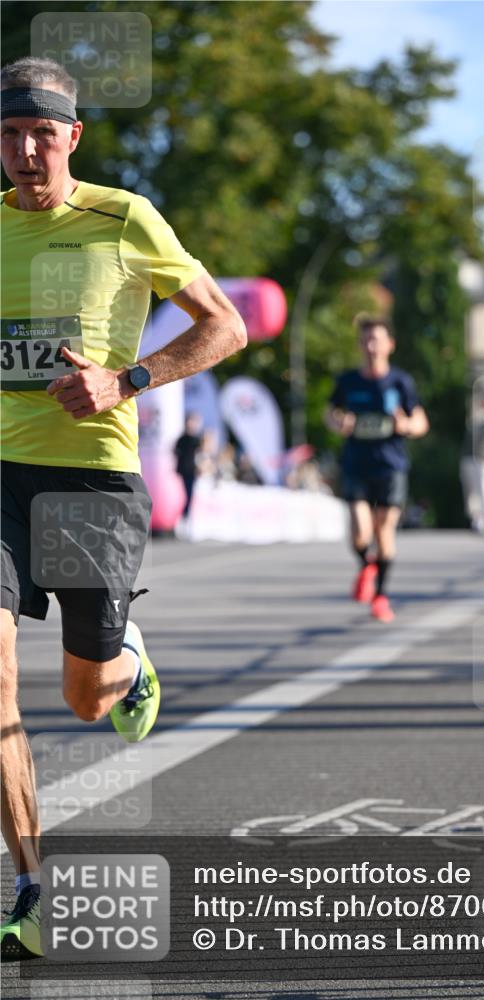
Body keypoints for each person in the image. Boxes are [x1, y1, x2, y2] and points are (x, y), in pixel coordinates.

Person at [0, 58, 247, 960]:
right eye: (9, 134)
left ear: (73, 136)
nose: (26, 150)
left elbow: (227, 323)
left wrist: (127, 377)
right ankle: (31, 884)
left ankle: (125, 656)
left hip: (92, 484)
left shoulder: (124, 217)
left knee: (85, 699)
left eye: (42, 133)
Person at [326, 315, 429, 623]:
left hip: (391, 465)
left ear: (390, 345)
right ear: (360, 345)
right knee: (360, 530)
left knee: (384, 530)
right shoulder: (348, 382)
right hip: (357, 463)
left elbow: (422, 422)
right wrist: (338, 423)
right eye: (366, 340)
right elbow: (330, 414)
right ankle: (366, 564)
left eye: (377, 340)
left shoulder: (400, 382)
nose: (372, 346)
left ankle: (381, 596)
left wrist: (407, 425)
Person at [174, 412, 203, 518]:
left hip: (192, 471)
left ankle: (186, 516)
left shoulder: (197, 440)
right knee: (184, 496)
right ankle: (183, 517)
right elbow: (176, 453)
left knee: (190, 496)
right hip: (183, 471)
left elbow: (202, 455)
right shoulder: (182, 439)